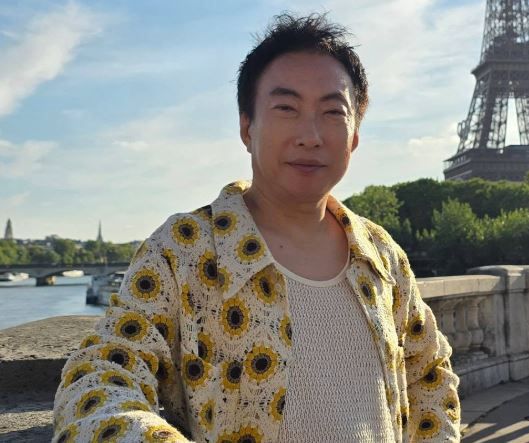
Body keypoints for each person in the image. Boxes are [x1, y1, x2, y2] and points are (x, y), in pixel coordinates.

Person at [53, 13, 460, 442]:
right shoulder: (183, 250)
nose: (310, 135)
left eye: (332, 112)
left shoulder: (382, 255)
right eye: (286, 108)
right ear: (247, 127)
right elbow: (100, 378)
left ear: (354, 137)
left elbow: (429, 374)